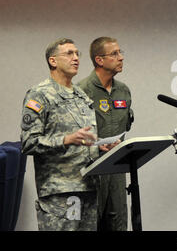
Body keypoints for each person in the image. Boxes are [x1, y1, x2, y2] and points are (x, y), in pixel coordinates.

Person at [21, 38, 117, 231]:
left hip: (88, 186)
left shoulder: (81, 96)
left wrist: (99, 146)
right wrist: (66, 140)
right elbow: (28, 143)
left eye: (77, 54)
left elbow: (83, 140)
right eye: (69, 53)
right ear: (53, 61)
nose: (76, 58)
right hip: (60, 191)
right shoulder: (39, 94)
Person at [78, 37, 133, 231]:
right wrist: (95, 145)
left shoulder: (123, 91)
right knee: (90, 223)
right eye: (115, 54)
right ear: (99, 60)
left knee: (118, 222)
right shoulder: (81, 90)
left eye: (121, 53)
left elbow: (125, 125)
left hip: (117, 168)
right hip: (91, 169)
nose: (121, 58)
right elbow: (74, 133)